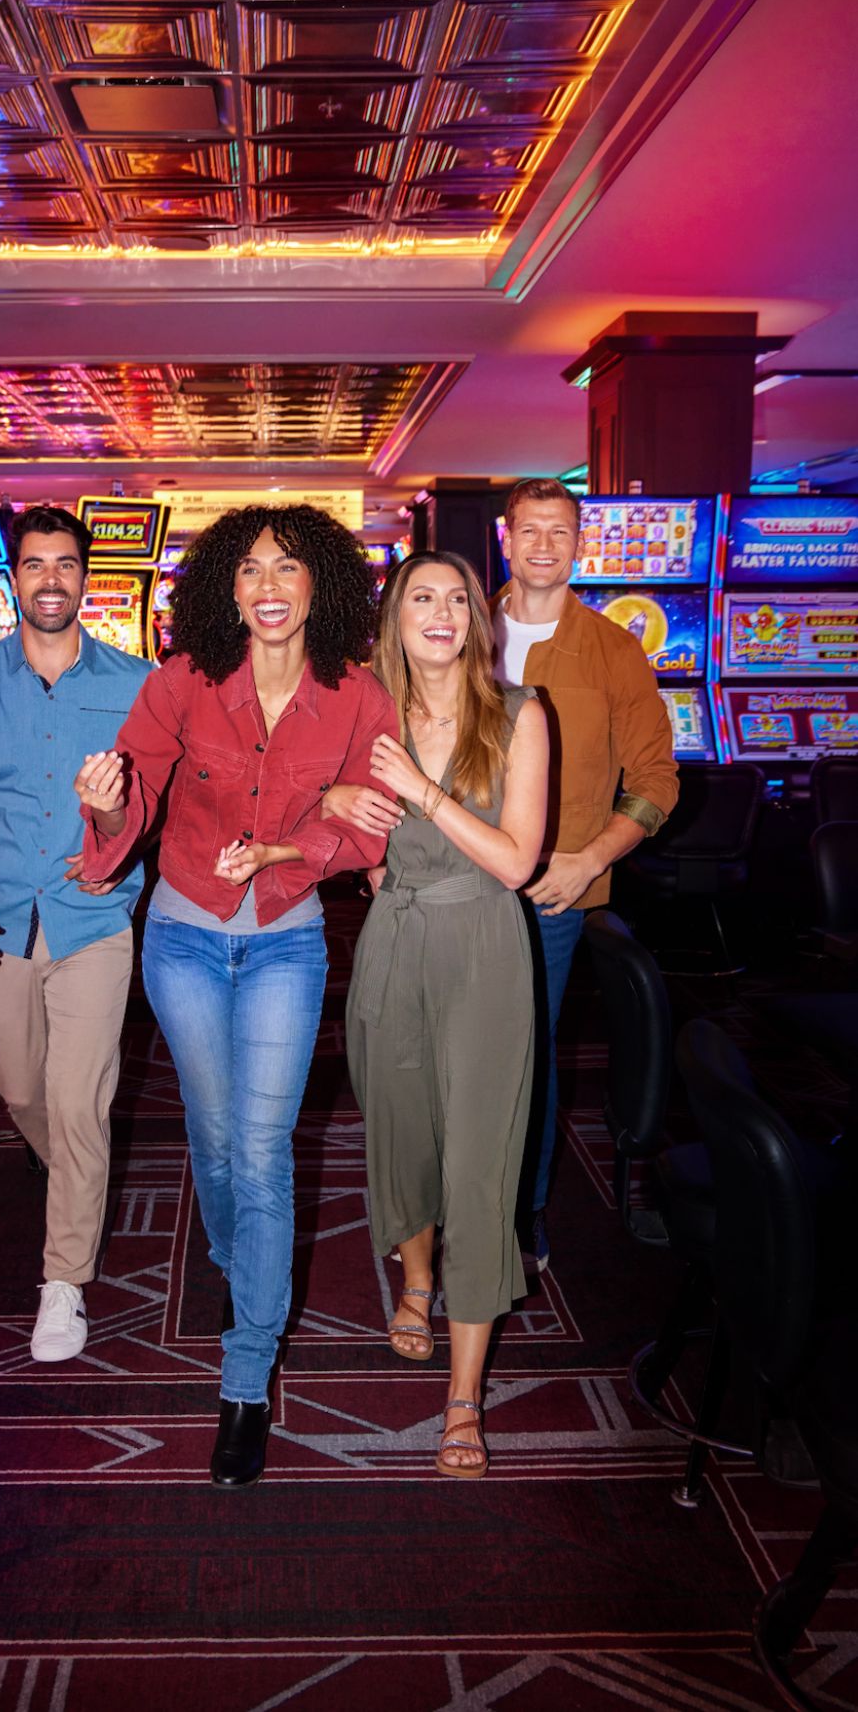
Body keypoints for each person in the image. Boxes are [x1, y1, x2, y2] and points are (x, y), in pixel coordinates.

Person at [74, 505, 398, 1489]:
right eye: (248, 568)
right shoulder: (181, 683)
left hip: (285, 943)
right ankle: (236, 1258)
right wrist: (101, 807)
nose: (265, 584)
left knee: (261, 1151)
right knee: (214, 1140)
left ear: (320, 588)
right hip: (179, 934)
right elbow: (133, 796)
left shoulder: (357, 697)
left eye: (286, 568)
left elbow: (375, 832)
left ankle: (245, 1377)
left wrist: (303, 842)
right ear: (224, 586)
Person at [0, 505, 152, 1364]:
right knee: (23, 1092)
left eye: (65, 565)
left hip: (92, 916)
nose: (51, 580)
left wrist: (116, 810)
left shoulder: (136, 681)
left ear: (88, 579)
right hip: (1, 918)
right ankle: (79, 1190)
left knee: (81, 1101)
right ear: (14, 578)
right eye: (34, 565)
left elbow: (152, 814)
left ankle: (63, 1283)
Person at [344, 552, 548, 1478]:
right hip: (393, 941)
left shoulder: (519, 714)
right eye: (420, 596)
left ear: (477, 617)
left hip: (483, 953)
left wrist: (422, 795)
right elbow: (334, 824)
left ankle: (464, 1398)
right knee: (402, 1138)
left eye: (456, 598)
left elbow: (516, 863)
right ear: (395, 619)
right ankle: (416, 1280)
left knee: (479, 1164)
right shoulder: (365, 712)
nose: (440, 611)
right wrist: (334, 800)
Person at [493, 479, 679, 1271]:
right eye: (529, 530)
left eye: (559, 532)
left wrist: (592, 857)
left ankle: (518, 1213)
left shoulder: (612, 649)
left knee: (524, 1061)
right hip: (446, 889)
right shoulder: (449, 621)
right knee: (439, 1055)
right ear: (506, 539)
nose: (543, 545)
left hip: (548, 894)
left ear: (580, 543)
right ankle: (443, 1208)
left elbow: (656, 779)